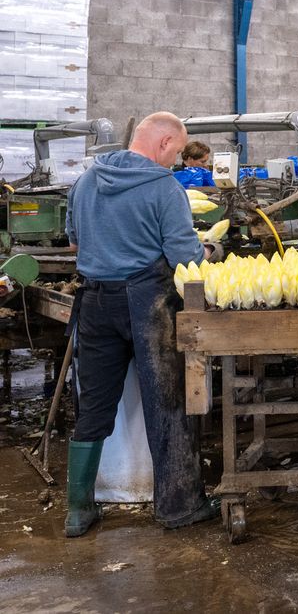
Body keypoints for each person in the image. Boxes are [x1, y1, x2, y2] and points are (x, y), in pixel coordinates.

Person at [64, 112, 221, 537]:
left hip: (94, 301)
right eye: (176, 151)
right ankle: (179, 506)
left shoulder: (85, 180)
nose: (176, 160)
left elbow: (74, 241)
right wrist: (211, 249)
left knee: (93, 403)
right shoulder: (163, 188)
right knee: (165, 401)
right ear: (165, 142)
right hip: (147, 304)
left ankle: (78, 510)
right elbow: (183, 258)